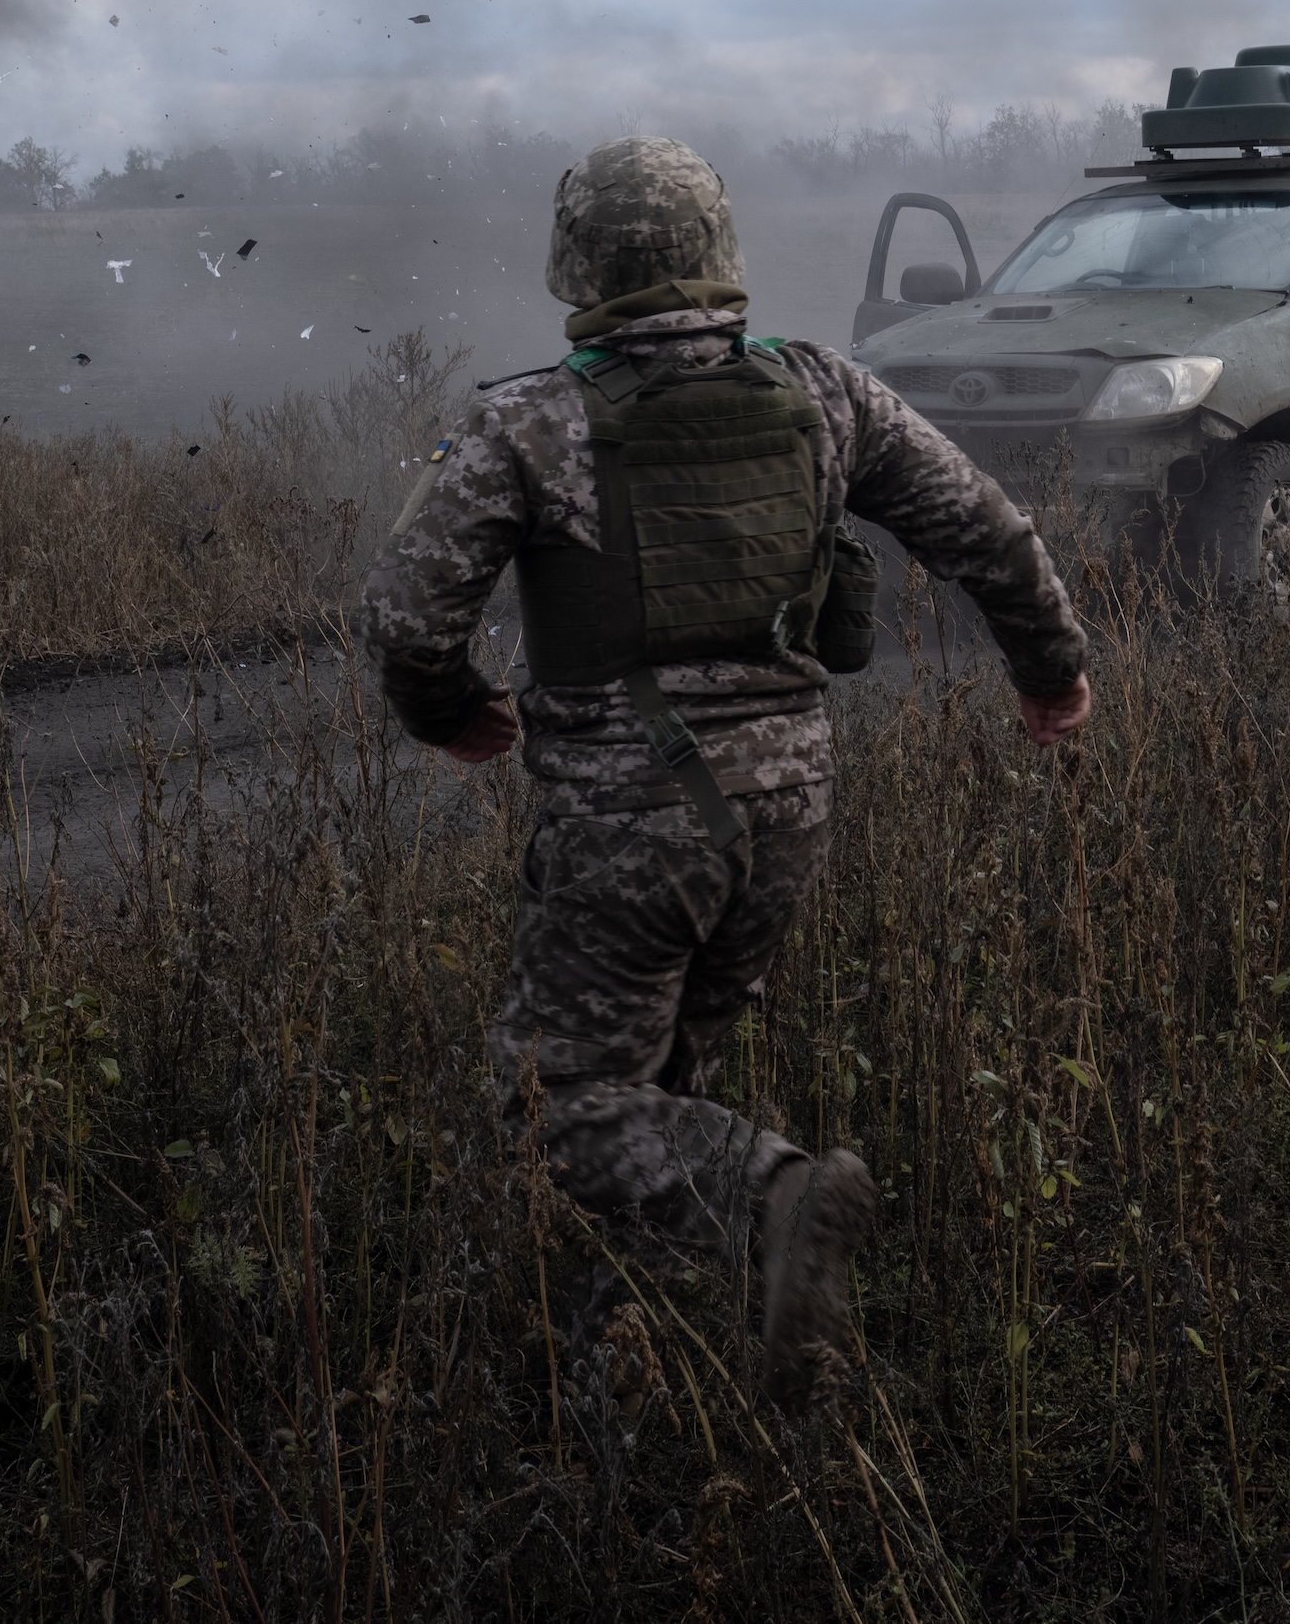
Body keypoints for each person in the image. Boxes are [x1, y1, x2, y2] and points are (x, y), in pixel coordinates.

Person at [360, 136, 1095, 1388]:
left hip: (628, 827)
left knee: (562, 1110)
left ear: (578, 263)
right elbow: (989, 531)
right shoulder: (826, 390)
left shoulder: (528, 421)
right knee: (662, 1091)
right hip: (786, 824)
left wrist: (445, 710)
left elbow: (404, 615)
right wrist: (1049, 667)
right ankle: (641, 1363)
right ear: (719, 252)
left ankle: (774, 1199)